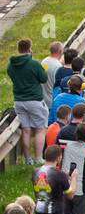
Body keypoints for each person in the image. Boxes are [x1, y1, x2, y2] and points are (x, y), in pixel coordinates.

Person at [7, 38, 49, 166]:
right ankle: (38, 158)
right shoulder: (34, 64)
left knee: (26, 130)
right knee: (40, 129)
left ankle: (27, 159)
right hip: (34, 100)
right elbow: (43, 78)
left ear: (18, 48)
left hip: (19, 101)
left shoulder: (11, 65)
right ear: (30, 48)